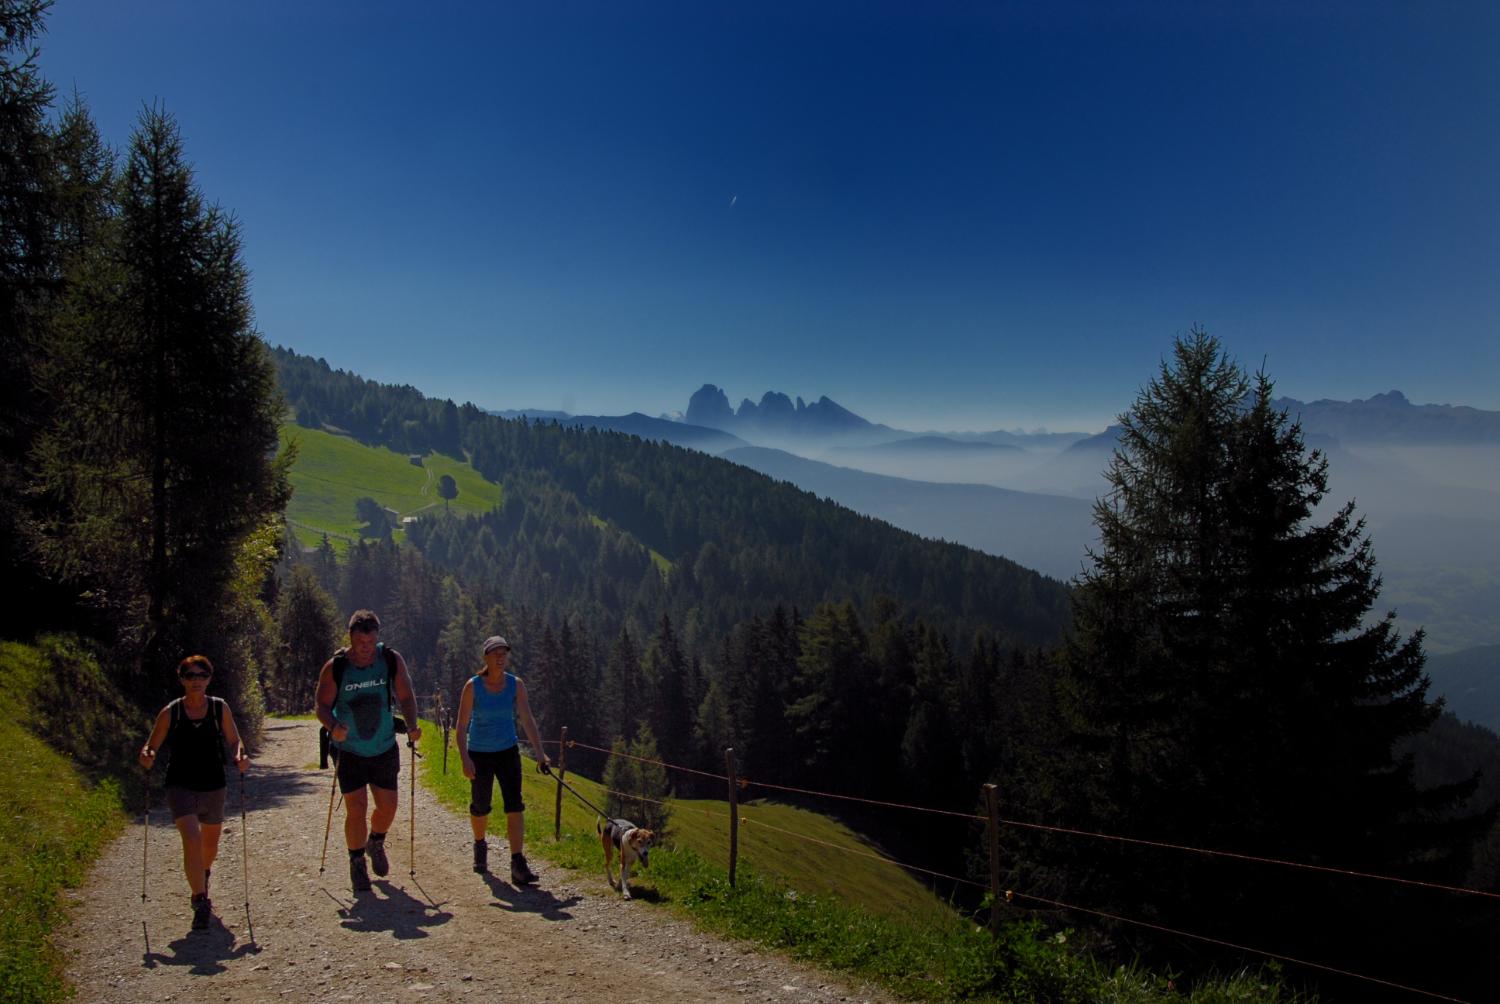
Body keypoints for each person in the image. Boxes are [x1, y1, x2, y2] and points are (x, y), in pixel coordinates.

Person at [138, 655, 250, 931]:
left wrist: (240, 756)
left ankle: (203, 875)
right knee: (192, 838)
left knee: (209, 847)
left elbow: (235, 741)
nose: (196, 680)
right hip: (180, 784)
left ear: (209, 678)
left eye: (201, 675)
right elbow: (151, 745)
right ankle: (200, 900)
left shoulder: (218, 708)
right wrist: (147, 755)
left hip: (213, 783)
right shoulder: (171, 712)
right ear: (182, 680)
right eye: (190, 675)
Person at [314, 609, 422, 892]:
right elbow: (321, 706)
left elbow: (407, 696)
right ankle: (356, 862)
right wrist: (333, 726)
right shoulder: (336, 666)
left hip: (384, 745)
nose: (365, 649)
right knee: (356, 808)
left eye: (370, 642)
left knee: (388, 807)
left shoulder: (389, 660)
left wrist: (412, 725)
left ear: (377, 638)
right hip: (348, 749)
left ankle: (376, 840)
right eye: (360, 643)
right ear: (351, 637)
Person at [456, 634, 550, 885]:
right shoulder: (472, 686)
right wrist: (465, 759)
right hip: (479, 752)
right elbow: (461, 726)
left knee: (514, 805)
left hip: (508, 751)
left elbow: (527, 720)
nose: (500, 658)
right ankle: (479, 844)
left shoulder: (515, 684)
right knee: (480, 805)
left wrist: (540, 754)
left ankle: (517, 862)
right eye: (495, 653)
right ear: (486, 657)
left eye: (504, 653)